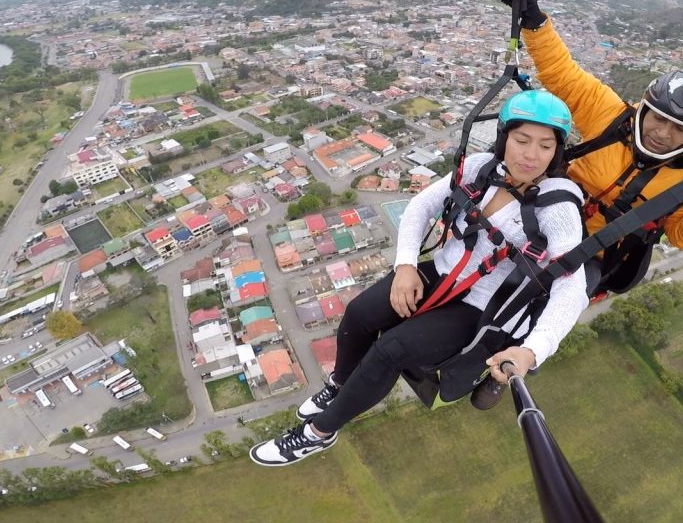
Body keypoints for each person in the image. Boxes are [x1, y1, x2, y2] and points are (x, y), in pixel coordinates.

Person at [251, 90, 589, 467]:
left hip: (480, 306)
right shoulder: (481, 168)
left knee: (390, 350)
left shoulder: (558, 207)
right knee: (359, 314)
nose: (531, 154)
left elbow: (572, 286)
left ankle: (319, 432)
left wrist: (533, 350)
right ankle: (340, 385)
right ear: (504, 138)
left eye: (545, 146)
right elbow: (420, 206)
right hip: (441, 272)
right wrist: (406, 266)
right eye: (522, 140)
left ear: (556, 153)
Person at [500, 0, 683, 295]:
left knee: (540, 299)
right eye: (658, 118)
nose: (663, 134)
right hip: (543, 215)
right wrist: (534, 20)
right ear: (645, 109)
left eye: (680, 129)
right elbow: (562, 74)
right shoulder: (610, 115)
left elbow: (680, 236)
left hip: (595, 253)